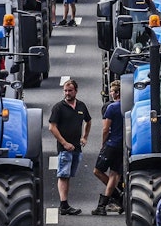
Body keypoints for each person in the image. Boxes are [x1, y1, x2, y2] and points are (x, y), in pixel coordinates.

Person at [48, 79, 92, 216]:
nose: (67, 93)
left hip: (77, 148)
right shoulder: (58, 107)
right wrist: (64, 143)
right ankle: (64, 204)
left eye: (70, 91)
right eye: (65, 91)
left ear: (76, 91)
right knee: (63, 175)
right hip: (64, 149)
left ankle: (65, 204)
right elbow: (52, 127)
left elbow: (88, 121)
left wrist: (85, 137)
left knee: (69, 175)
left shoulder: (81, 106)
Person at [92, 80, 124, 215]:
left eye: (112, 91)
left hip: (111, 144)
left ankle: (116, 196)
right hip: (122, 145)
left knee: (97, 171)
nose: (111, 93)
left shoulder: (112, 108)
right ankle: (103, 206)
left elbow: (106, 128)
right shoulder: (128, 106)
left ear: (116, 93)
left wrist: (103, 143)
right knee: (114, 174)